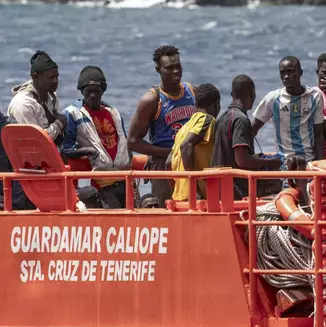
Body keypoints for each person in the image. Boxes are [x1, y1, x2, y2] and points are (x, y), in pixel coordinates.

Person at [127, 45, 197, 204]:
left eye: (178, 66)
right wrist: (169, 152)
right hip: (164, 165)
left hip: (189, 162)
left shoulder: (192, 91)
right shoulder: (152, 100)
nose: (176, 71)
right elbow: (132, 142)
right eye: (169, 68)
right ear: (158, 69)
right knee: (166, 209)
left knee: (192, 209)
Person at [62, 66, 130, 208]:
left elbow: (124, 142)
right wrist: (89, 151)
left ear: (102, 91)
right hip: (102, 184)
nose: (92, 95)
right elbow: (66, 148)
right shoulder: (74, 113)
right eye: (88, 92)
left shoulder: (113, 113)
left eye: (96, 92)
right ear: (82, 91)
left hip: (124, 180)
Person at [212, 75, 283, 200]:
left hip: (219, 187)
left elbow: (229, 154)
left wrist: (256, 158)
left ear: (232, 94)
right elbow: (242, 160)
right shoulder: (241, 120)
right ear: (252, 95)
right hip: (236, 190)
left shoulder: (222, 117)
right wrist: (273, 162)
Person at [251, 56, 325, 164]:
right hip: (284, 166)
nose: (286, 76)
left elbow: (319, 134)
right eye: (282, 73)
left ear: (300, 73)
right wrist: (251, 159)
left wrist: (320, 164)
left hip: (309, 163)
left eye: (290, 72)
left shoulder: (314, 96)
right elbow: (251, 130)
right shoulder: (273, 98)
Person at [169, 84, 220, 202]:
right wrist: (194, 188)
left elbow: (168, 162)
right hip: (197, 197)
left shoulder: (184, 128)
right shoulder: (207, 120)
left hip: (179, 196)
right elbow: (186, 146)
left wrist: (178, 189)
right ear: (216, 103)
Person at [8, 50, 65, 145]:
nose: (56, 81)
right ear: (35, 77)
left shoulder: (50, 96)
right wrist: (59, 124)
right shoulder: (24, 104)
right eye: (51, 77)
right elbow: (34, 143)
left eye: (57, 76)